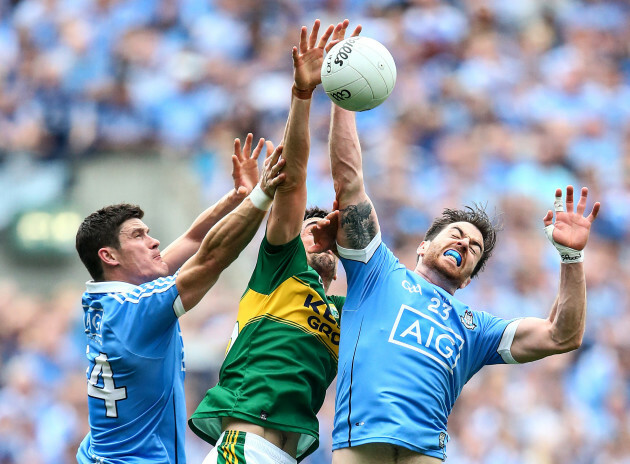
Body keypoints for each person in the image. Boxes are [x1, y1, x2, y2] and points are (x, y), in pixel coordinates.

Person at [308, 22, 602, 464]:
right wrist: (342, 98)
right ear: (423, 247)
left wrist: (571, 257)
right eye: (456, 235)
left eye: (474, 249)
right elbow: (349, 182)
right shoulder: (376, 272)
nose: (464, 244)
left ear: (467, 279)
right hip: (360, 441)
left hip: (427, 451)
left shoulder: (474, 327)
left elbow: (563, 335)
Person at [188, 20, 346, 464]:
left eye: (327, 230)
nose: (321, 236)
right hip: (245, 447)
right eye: (311, 229)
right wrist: (303, 94)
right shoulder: (282, 268)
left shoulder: (342, 312)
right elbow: (293, 179)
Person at [75, 134, 286, 464]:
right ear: (109, 256)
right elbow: (211, 257)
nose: (154, 241)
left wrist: (237, 197)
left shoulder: (103, 298)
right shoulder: (136, 310)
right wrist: (262, 195)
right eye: (138, 236)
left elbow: (192, 239)